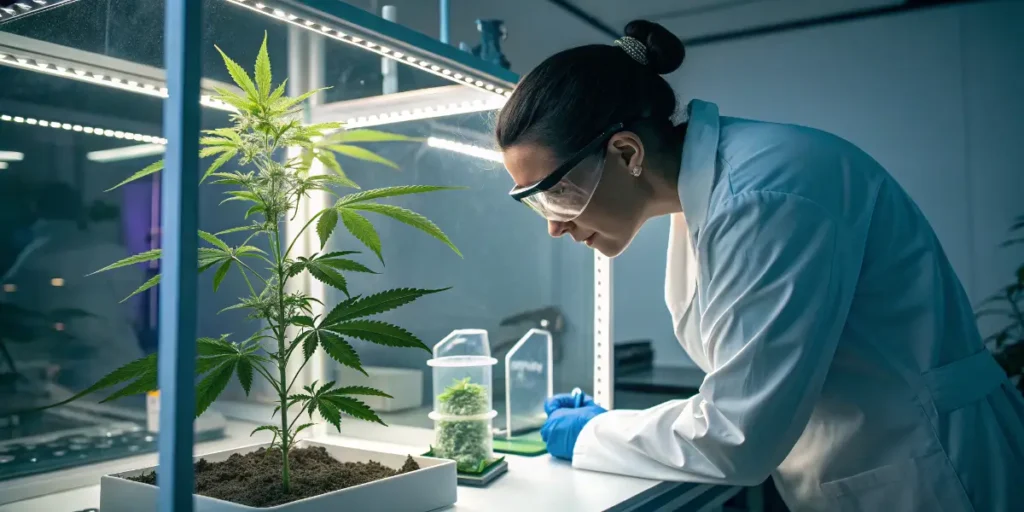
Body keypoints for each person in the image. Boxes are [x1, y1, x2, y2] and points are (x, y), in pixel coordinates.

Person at [496, 19, 1024, 512]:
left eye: (556, 194)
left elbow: (735, 438)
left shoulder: (764, 197)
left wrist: (595, 434)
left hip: (934, 471)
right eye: (537, 204)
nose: (555, 226)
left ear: (628, 153)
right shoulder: (712, 196)